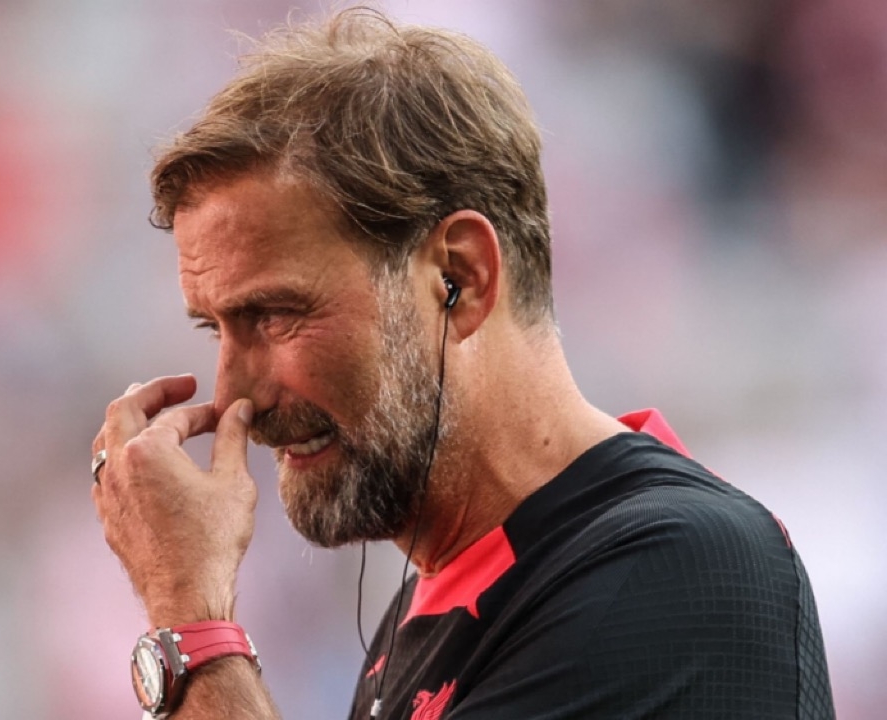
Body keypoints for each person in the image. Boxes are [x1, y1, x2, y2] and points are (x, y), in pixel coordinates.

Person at [89, 7, 834, 719]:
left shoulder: (678, 567)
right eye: (215, 328)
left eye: (276, 315)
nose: (235, 396)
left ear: (461, 277)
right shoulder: (439, 606)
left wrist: (189, 616)